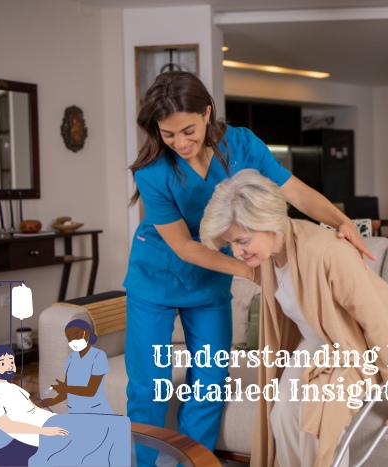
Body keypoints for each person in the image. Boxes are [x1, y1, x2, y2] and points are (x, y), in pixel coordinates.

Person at [123, 71, 373, 456]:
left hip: (209, 281)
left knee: (209, 382)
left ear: (207, 112)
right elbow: (185, 248)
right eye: (168, 135)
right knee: (148, 386)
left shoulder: (240, 145)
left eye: (188, 130)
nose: (180, 143)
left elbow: (295, 192)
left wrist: (341, 221)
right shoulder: (153, 171)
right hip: (155, 275)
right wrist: (253, 271)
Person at [200, 169, 388, 467]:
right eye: (231, 243)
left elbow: (378, 324)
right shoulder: (269, 257)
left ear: (270, 224)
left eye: (242, 241)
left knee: (316, 420)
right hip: (318, 340)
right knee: (281, 415)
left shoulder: (327, 252)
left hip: (355, 345)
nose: (236, 251)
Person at [0, 345, 69, 448]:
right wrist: (44, 431)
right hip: (31, 431)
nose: (9, 366)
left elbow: (34, 409)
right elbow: (7, 426)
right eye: (3, 363)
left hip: (45, 423)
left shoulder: (15, 388)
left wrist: (53, 416)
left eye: (11, 362)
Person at [38, 319, 114, 415]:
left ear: (86, 333)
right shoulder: (71, 358)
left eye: (76, 335)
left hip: (95, 411)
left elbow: (91, 391)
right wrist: (53, 401)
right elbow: (68, 390)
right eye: (69, 338)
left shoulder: (98, 356)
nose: (73, 340)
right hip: (75, 411)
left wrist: (65, 388)